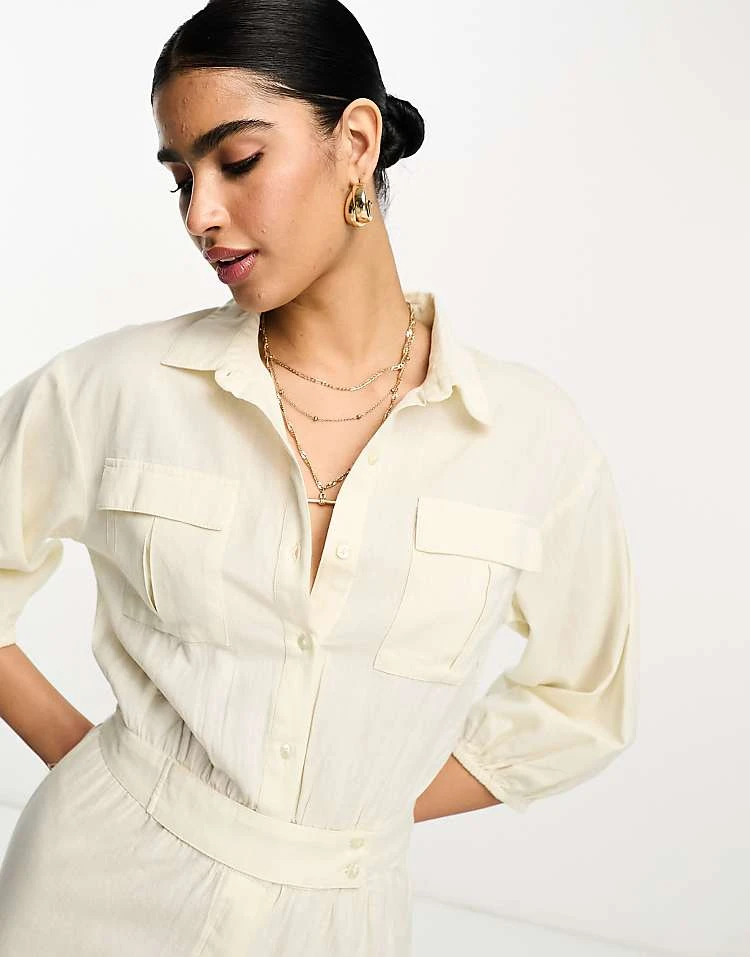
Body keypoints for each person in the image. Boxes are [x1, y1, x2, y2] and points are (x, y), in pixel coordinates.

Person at [0, 1, 639, 954]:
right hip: (87, 896)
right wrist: (95, 762)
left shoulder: (530, 438)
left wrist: (346, 818)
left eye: (238, 160)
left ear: (357, 143)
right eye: (181, 179)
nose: (200, 214)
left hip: (343, 916)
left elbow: (582, 701)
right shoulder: (114, 388)